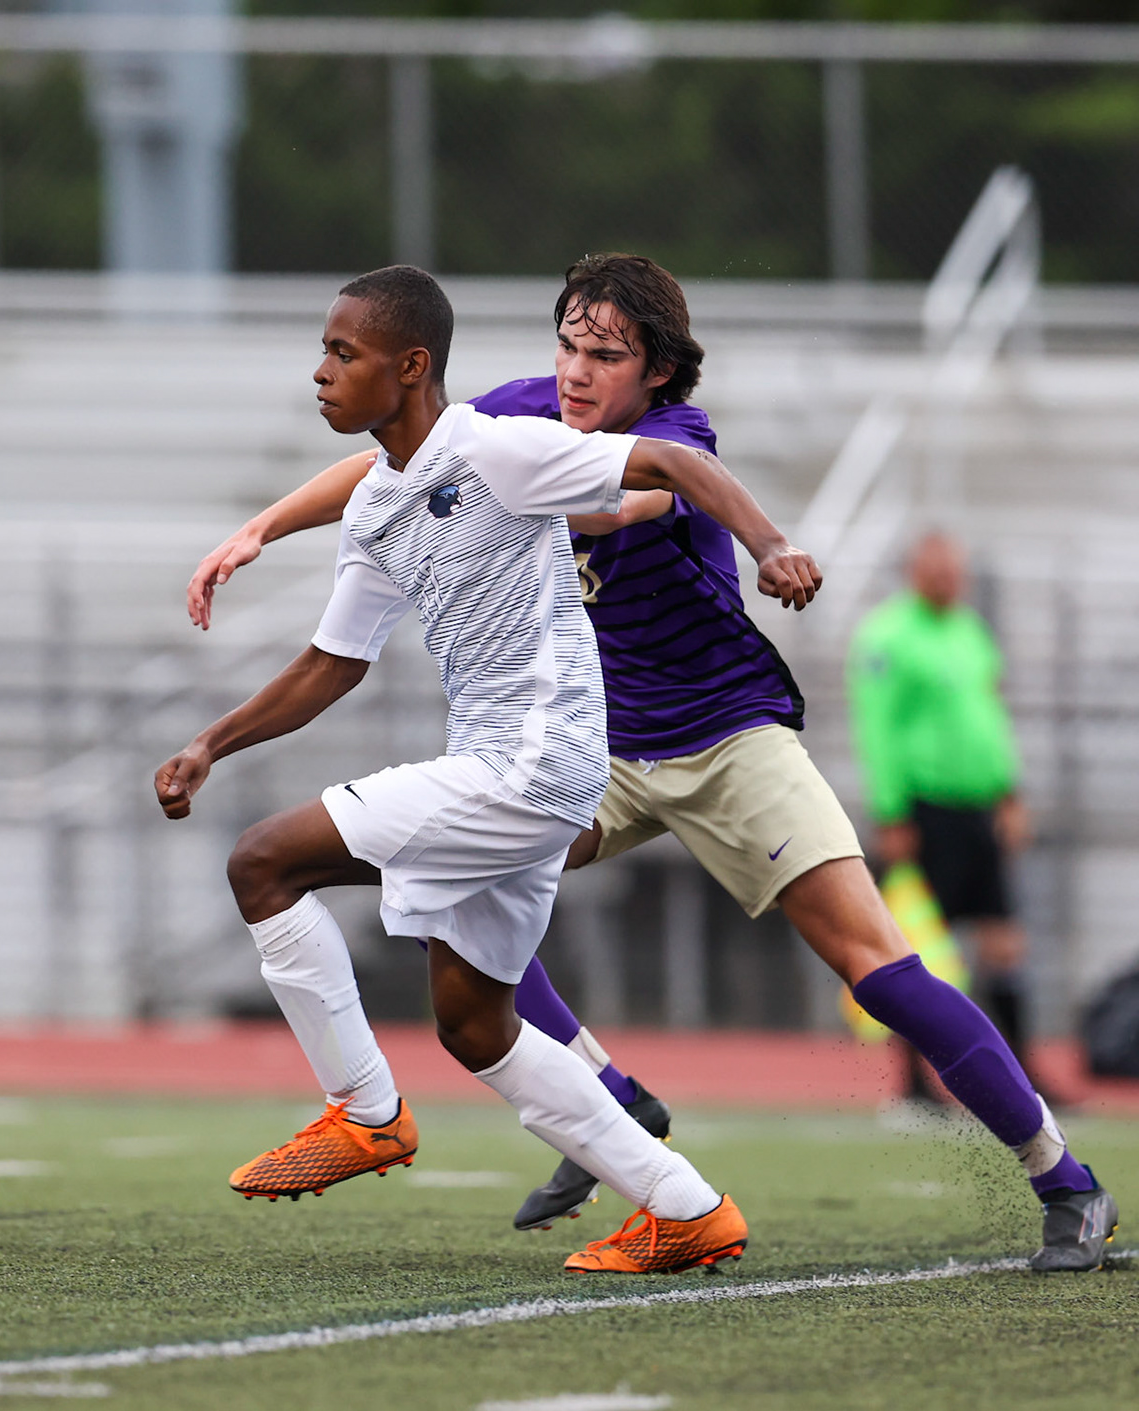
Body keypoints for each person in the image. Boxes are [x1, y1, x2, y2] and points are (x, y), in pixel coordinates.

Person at [187, 254, 1117, 1273]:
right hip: (600, 750)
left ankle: (1062, 1177)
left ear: (660, 373)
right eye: (570, 346)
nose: (579, 373)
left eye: (609, 356)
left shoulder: (670, 438)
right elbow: (395, 466)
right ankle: (614, 1098)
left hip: (727, 738)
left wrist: (755, 540)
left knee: (876, 965)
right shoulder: (521, 420)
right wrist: (263, 527)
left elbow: (628, 498)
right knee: (437, 887)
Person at [155, 264, 821, 1273]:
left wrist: (770, 547)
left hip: (531, 763)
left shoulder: (499, 451)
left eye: (345, 353)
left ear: (410, 365)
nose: (322, 374)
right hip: (515, 771)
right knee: (476, 1025)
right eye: (325, 353)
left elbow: (674, 469)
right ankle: (686, 1208)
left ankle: (365, 1111)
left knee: (262, 862)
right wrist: (212, 742)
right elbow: (331, 665)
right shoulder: (381, 504)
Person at [848, 533, 1037, 1078]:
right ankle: (914, 1083)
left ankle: (1024, 1073)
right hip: (926, 811)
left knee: (1004, 941)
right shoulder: (888, 635)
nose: (950, 579)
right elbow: (876, 728)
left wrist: (1010, 793)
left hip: (980, 808)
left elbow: (991, 719)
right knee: (920, 949)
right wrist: (891, 813)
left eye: (956, 569)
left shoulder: (970, 630)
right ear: (914, 571)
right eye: (938, 570)